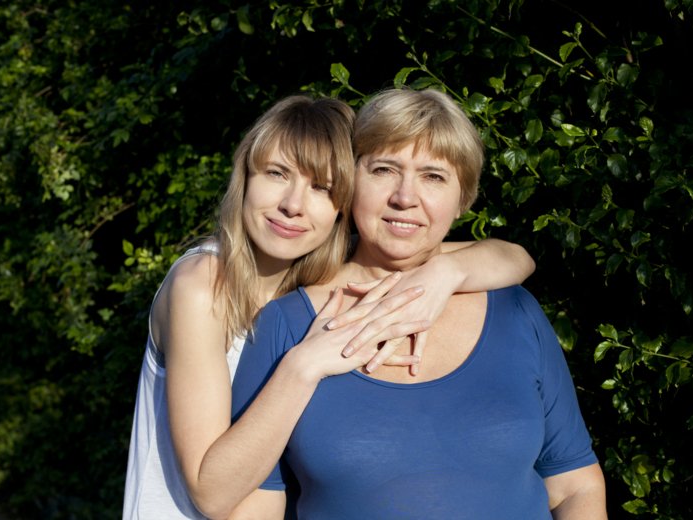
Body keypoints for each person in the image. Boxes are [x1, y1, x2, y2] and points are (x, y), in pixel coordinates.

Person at [122, 94, 536, 519]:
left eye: (321, 187)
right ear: (244, 176)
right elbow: (211, 493)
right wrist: (303, 366)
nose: (293, 205)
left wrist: (448, 273)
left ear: (344, 203)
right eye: (277, 174)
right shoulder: (202, 285)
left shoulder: (322, 272)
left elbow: (514, 257)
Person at [231, 88, 607, 519]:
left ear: (463, 198)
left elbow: (574, 485)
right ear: (350, 182)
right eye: (384, 170)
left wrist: (448, 272)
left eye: (433, 177)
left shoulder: (515, 311)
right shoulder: (287, 323)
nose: (405, 197)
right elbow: (253, 504)